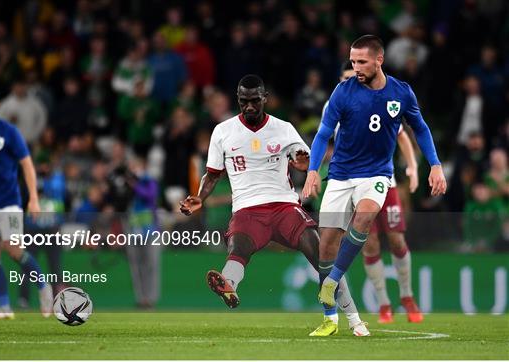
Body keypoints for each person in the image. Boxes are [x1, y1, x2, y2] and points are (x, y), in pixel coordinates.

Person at [180, 75, 369, 337]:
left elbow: (303, 158)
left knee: (323, 256)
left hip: (284, 206)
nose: (249, 107)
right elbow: (212, 175)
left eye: (255, 101)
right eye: (244, 101)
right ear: (238, 99)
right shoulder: (222, 132)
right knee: (238, 247)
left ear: (264, 99)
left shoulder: (284, 129)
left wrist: (305, 163)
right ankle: (228, 285)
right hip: (247, 209)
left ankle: (354, 319)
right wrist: (200, 197)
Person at [303, 35, 446, 335]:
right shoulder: (342, 93)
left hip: (376, 174)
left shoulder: (401, 93)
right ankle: (330, 318)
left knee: (365, 216)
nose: (356, 67)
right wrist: (313, 171)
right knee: (326, 243)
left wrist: (434, 164)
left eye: (362, 62)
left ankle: (331, 282)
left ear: (379, 60)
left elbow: (419, 128)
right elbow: (322, 134)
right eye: (353, 61)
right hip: (340, 175)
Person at [338, 60, 424, 323]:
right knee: (370, 242)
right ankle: (384, 303)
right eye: (345, 79)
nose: (350, 82)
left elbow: (401, 135)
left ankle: (407, 297)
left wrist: (412, 167)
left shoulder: (374, 103)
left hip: (385, 185)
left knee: (396, 239)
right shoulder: (337, 108)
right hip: (356, 188)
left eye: (353, 77)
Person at [0, 86, 53, 320]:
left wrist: (33, 199)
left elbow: (27, 164)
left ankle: (43, 287)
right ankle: (4, 306)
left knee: (13, 248)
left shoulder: (9, 132)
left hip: (9, 202)